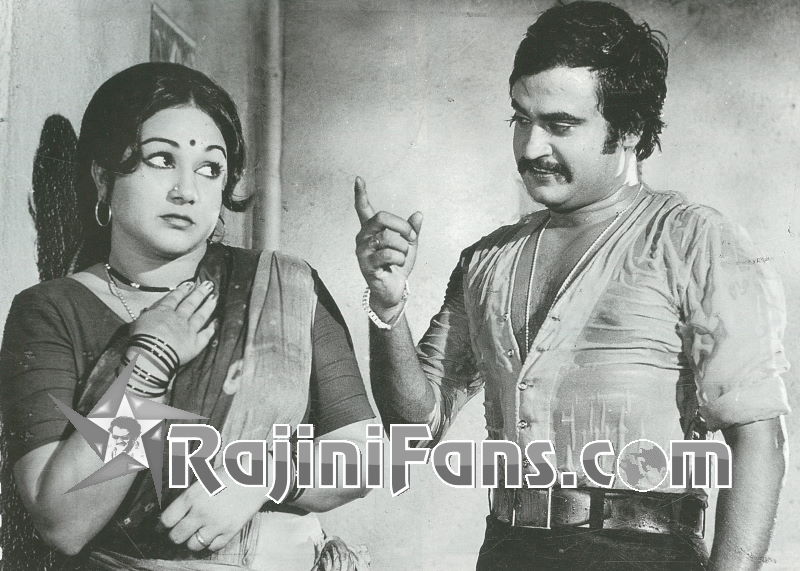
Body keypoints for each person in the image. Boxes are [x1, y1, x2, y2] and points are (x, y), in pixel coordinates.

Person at [353, 2, 790, 569]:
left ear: (629, 129)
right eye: (521, 119)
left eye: (560, 126)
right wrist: (387, 306)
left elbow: (757, 438)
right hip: (507, 550)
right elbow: (414, 430)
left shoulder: (694, 240)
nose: (531, 147)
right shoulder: (487, 260)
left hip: (645, 556)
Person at [1, 62, 374, 570]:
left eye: (209, 168)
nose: (186, 190)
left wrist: (261, 474)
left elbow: (364, 455)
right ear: (104, 179)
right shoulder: (50, 310)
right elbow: (63, 522)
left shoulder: (284, 285)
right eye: (161, 160)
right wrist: (148, 364)